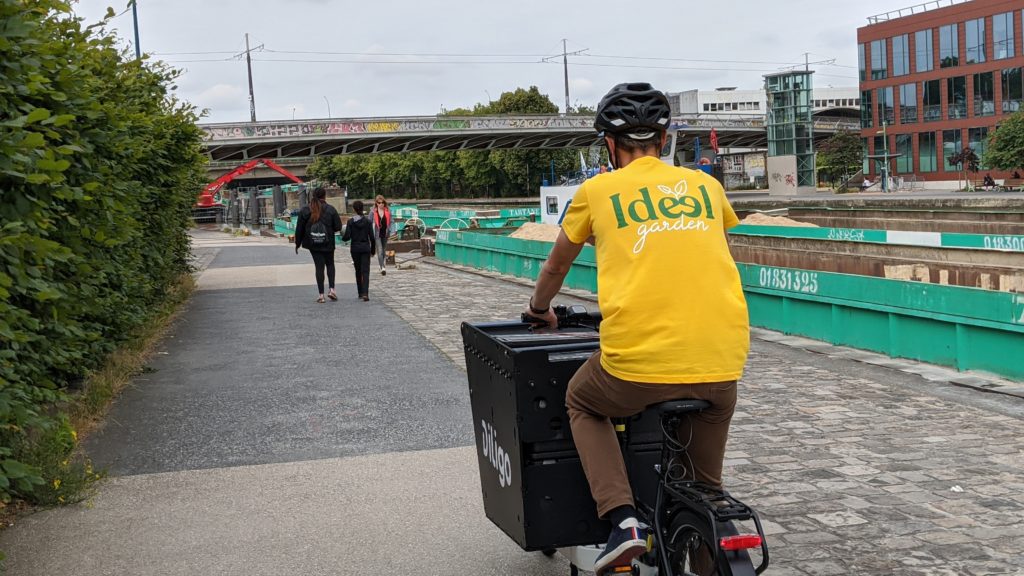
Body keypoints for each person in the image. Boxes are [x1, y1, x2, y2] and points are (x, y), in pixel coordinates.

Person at [524, 83, 749, 576]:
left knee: (583, 401)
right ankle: (709, 542)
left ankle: (623, 521)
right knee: (705, 489)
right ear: (664, 137)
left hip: (636, 369)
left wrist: (541, 308)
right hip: (721, 360)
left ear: (609, 143)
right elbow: (711, 255)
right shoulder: (706, 187)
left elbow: (557, 266)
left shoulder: (598, 190)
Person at [294, 187, 342, 303]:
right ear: (325, 196)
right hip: (328, 242)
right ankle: (332, 290)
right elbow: (338, 227)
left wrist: (297, 243)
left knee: (319, 267)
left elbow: (299, 228)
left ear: (313, 196)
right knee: (330, 264)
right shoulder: (331, 209)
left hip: (313, 243)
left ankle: (321, 295)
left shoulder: (305, 209)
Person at [342, 200, 375, 301]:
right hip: (365, 248)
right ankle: (366, 293)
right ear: (363, 208)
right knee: (365, 271)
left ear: (354, 209)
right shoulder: (368, 222)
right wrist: (372, 250)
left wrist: (342, 236)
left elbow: (347, 236)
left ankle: (360, 292)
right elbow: (372, 238)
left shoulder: (351, 222)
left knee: (358, 270)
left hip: (355, 248)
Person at [372, 195, 395, 275]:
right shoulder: (373, 211)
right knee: (380, 250)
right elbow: (368, 222)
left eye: (382, 203)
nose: (381, 204)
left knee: (384, 250)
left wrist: (392, 231)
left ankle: (381, 265)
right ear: (376, 203)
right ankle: (382, 267)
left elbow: (392, 221)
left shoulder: (388, 211)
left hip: (385, 233)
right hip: (377, 233)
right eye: (379, 203)